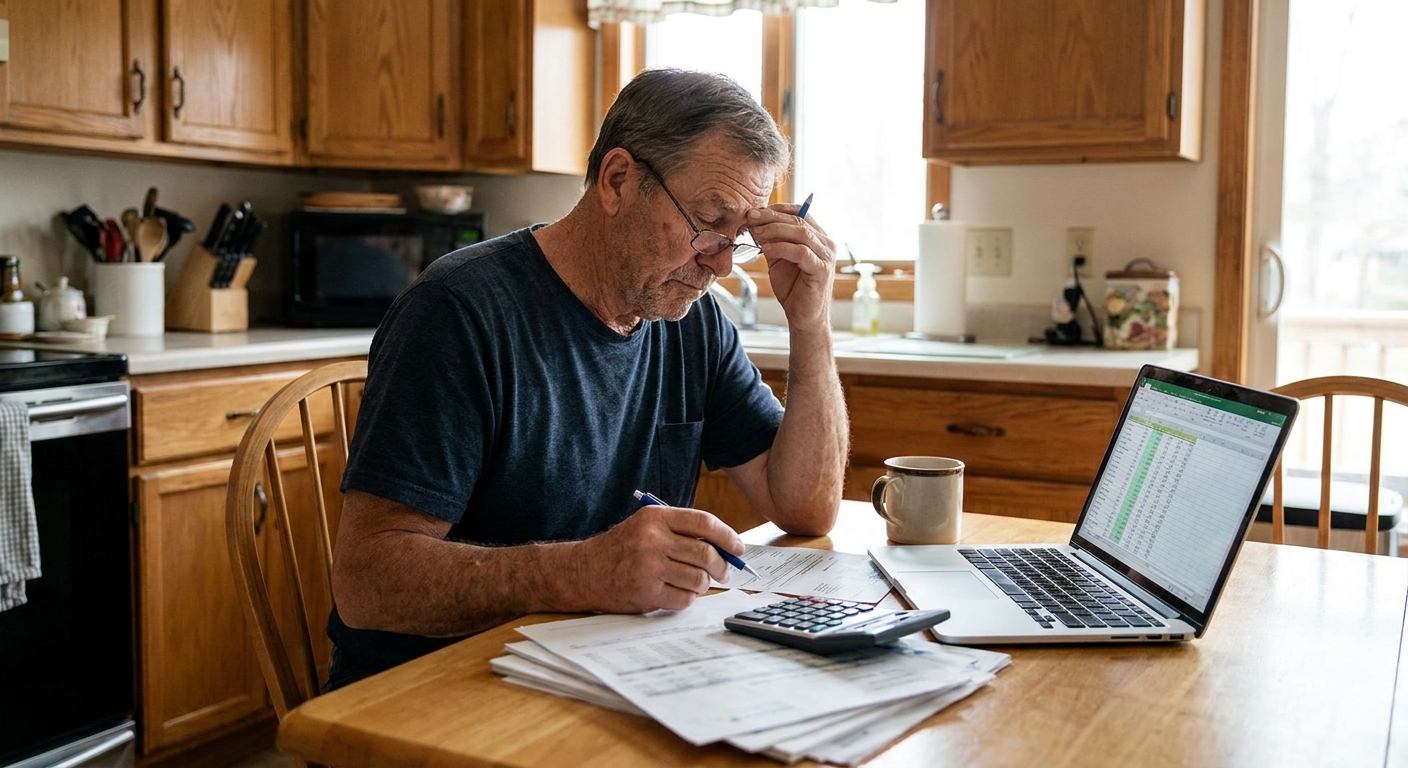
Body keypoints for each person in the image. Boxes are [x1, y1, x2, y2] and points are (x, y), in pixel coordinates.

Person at [325, 68, 849, 689]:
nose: (718, 266)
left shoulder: (691, 320)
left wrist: (811, 322)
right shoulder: (457, 312)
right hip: (439, 686)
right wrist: (577, 573)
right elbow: (366, 583)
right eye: (707, 222)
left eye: (738, 242)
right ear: (618, 180)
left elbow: (806, 509)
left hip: (605, 670)